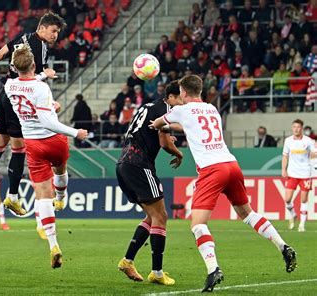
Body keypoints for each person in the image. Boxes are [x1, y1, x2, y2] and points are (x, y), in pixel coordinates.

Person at [149, 75, 297, 292]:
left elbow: (162, 122)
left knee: (198, 224)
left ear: (183, 93)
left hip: (211, 169)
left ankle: (213, 269)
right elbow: (191, 127)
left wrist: (155, 125)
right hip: (231, 164)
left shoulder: (182, 109)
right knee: (248, 213)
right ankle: (283, 246)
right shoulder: (212, 109)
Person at [0, 12, 66, 216]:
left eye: (57, 33)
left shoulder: (21, 38)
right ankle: (13, 197)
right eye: (53, 31)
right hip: (18, 98)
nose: (55, 36)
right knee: (18, 149)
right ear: (42, 28)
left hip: (4, 93)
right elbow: (32, 80)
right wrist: (47, 78)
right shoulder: (40, 47)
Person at [6, 46, 88, 268]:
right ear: (33, 64)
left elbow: (25, 85)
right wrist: (75, 132)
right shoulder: (41, 88)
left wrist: (45, 77)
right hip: (53, 139)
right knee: (61, 170)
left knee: (42, 194)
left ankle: (53, 244)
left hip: (32, 144)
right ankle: (61, 196)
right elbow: (47, 121)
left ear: (14, 67)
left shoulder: (8, 85)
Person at [117, 81, 183, 286]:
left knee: (152, 216)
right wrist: (179, 153)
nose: (183, 102)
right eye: (181, 98)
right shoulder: (165, 110)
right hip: (139, 164)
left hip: (124, 163)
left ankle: (127, 261)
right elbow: (164, 142)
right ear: (171, 97)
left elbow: (158, 136)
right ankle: (157, 272)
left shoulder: (147, 106)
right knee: (161, 216)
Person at [282, 119, 316, 232]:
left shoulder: (308, 141)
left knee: (304, 199)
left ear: (302, 128)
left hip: (305, 173)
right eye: (294, 127)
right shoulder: (288, 141)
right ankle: (292, 214)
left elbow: (314, 153)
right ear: (292, 128)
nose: (296, 129)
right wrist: (284, 169)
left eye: (298, 127)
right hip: (292, 173)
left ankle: (302, 224)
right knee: (287, 199)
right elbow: (285, 156)